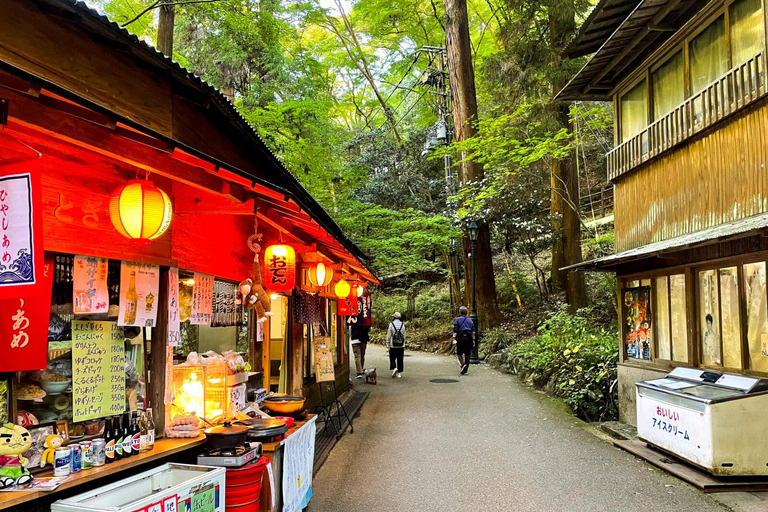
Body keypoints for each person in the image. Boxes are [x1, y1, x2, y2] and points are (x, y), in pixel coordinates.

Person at [453, 306, 474, 375]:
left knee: (459, 353)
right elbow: (473, 332)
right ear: (466, 312)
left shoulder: (457, 320)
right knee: (468, 354)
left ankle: (462, 365)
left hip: (461, 338)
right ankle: (466, 368)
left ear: (460, 312)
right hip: (469, 338)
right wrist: (473, 340)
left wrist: (454, 339)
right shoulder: (470, 320)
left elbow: (455, 331)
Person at [386, 312, 406, 378]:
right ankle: (399, 373)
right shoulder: (402, 325)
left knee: (392, 358)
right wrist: (404, 344)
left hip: (393, 345)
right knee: (400, 359)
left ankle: (394, 368)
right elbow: (404, 336)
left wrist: (387, 343)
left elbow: (389, 335)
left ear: (394, 317)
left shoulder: (391, 324)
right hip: (401, 345)